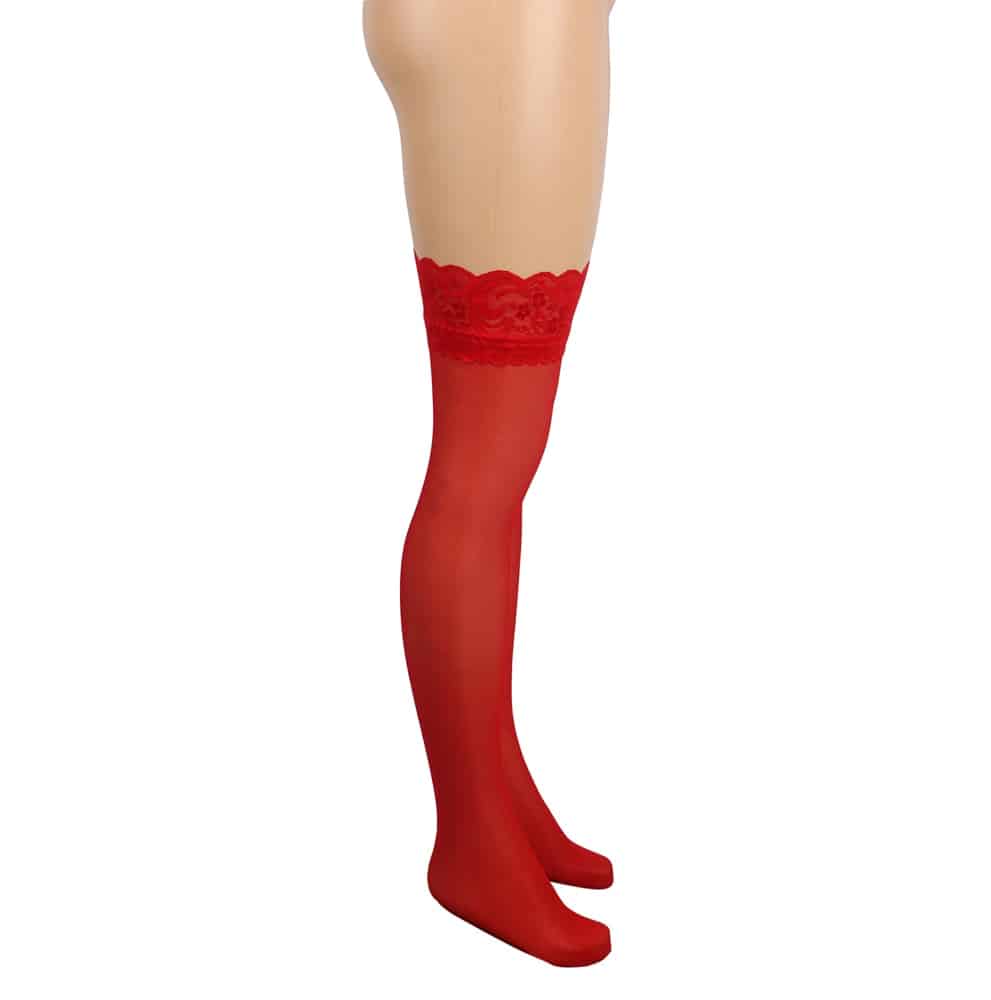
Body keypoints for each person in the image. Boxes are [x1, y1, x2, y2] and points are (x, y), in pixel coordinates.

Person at [363, 0, 616, 966]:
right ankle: (471, 840)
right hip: (513, 24)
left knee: (498, 460)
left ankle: (495, 791)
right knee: (485, 460)